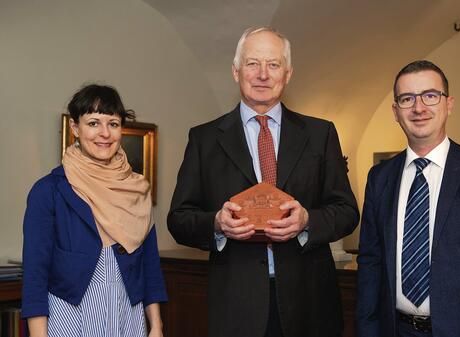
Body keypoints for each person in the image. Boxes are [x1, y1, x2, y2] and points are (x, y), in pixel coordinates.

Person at [168, 26, 359, 337]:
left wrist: (308, 220)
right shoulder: (203, 139)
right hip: (236, 305)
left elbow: (347, 211)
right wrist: (217, 223)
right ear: (236, 71)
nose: (262, 74)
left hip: (309, 303)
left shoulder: (320, 134)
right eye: (252, 63)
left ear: (287, 73)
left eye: (273, 64)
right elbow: (178, 219)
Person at [356, 60, 460, 337]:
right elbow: (370, 264)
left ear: (449, 104)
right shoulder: (380, 178)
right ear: (396, 112)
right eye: (407, 99)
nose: (419, 108)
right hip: (395, 329)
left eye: (430, 96)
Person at [22, 84, 167, 337]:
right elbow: (35, 274)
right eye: (93, 123)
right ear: (75, 128)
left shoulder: (137, 190)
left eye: (113, 123)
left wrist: (156, 325)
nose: (104, 133)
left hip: (128, 313)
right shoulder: (48, 191)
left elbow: (149, 264)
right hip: (69, 315)